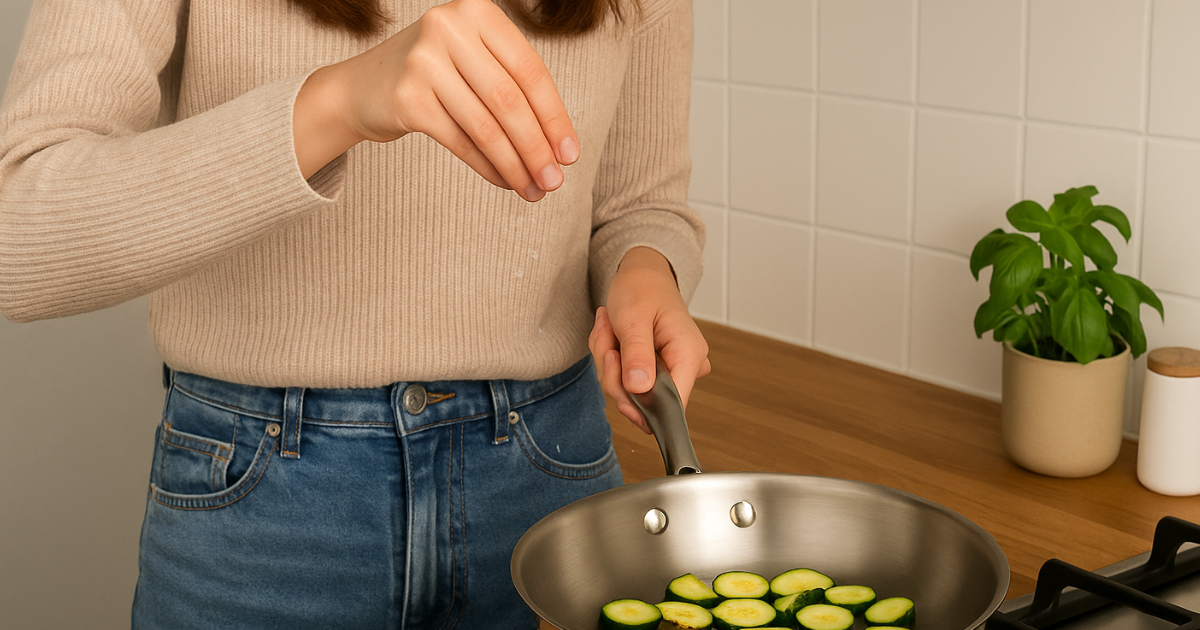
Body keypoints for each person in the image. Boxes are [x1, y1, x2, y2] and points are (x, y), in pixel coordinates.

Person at [0, 0, 708, 627]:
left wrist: (644, 268)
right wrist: (336, 104)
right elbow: (19, 232)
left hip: (551, 481)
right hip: (263, 504)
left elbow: (638, 203)